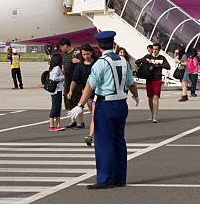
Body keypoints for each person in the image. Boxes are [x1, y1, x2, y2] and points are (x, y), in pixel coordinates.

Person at [68, 31, 140, 189]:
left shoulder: (100, 63)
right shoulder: (122, 60)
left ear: (99, 47)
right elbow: (131, 82)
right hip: (121, 103)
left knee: (103, 143)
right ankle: (120, 178)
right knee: (119, 141)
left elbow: (90, 85)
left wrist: (80, 105)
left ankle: (105, 179)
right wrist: (135, 96)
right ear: (113, 44)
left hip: (105, 105)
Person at [135, 43, 170, 123]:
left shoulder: (162, 58)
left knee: (156, 97)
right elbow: (137, 61)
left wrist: (159, 64)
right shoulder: (148, 56)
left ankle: (155, 116)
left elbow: (168, 66)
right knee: (150, 98)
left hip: (157, 79)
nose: (154, 51)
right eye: (153, 49)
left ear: (159, 50)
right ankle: (152, 114)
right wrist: (146, 60)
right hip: (149, 79)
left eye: (156, 49)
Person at [71, 44, 97, 143]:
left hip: (99, 94)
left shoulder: (98, 63)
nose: (85, 56)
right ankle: (94, 134)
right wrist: (70, 91)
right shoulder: (80, 65)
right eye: (83, 54)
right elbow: (74, 79)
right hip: (88, 95)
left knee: (95, 116)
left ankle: (91, 136)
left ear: (91, 52)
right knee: (94, 116)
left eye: (87, 54)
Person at [59, 37, 81, 128]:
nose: (60, 48)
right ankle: (73, 121)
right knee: (68, 100)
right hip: (67, 81)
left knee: (77, 100)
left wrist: (78, 61)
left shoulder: (77, 53)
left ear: (65, 45)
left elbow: (85, 63)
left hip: (76, 81)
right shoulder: (64, 54)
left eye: (61, 46)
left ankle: (80, 122)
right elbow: (63, 65)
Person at [48, 54, 65, 131]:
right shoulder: (57, 68)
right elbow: (54, 78)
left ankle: (58, 125)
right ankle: (51, 126)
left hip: (55, 90)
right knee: (55, 108)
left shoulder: (52, 68)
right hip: (56, 90)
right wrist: (63, 77)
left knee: (58, 107)